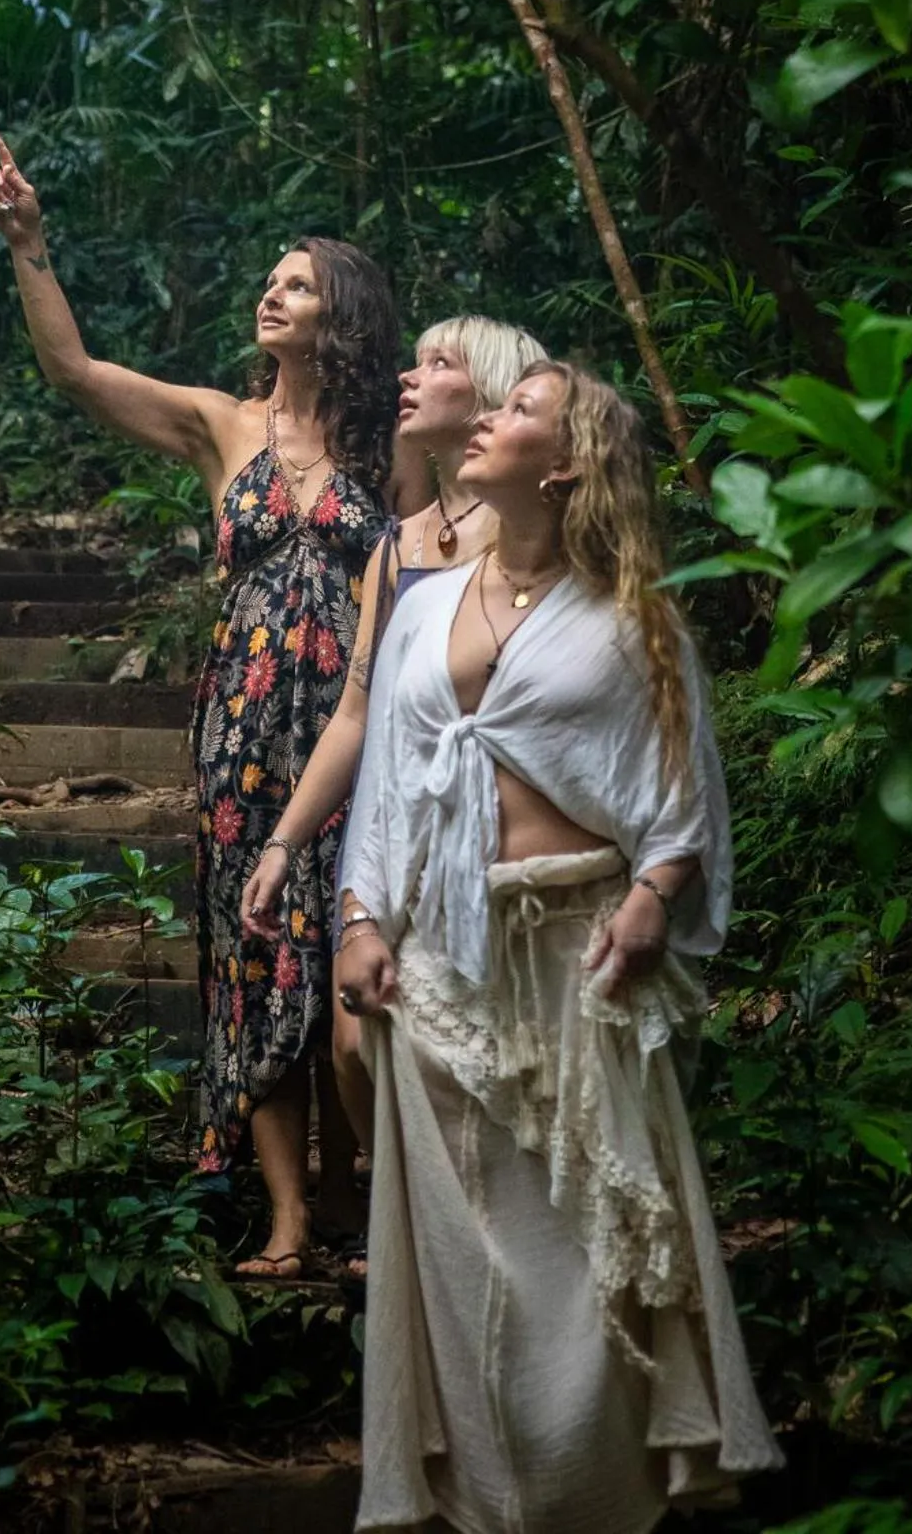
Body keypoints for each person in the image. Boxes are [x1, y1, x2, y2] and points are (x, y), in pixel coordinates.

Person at [335, 361, 784, 1532]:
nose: (486, 417)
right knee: (462, 1255)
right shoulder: (427, 603)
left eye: (519, 408)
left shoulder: (634, 613)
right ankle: (489, 1505)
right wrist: (359, 914)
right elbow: (387, 779)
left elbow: (684, 795)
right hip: (438, 963)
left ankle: (595, 1500)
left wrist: (657, 890)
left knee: (589, 1254)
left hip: (579, 954)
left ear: (569, 460)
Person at [0, 135, 396, 1278]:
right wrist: (31, 244)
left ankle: (357, 1202)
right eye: (270, 275)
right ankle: (287, 1220)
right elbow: (74, 371)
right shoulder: (222, 423)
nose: (273, 289)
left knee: (349, 955)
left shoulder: (389, 450)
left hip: (365, 736)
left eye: (298, 279)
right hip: (242, 739)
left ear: (342, 312)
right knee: (260, 957)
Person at [239, 315, 547, 1270]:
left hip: (503, 832)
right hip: (394, 826)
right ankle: (421, 1220)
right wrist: (287, 841)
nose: (410, 377)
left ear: (493, 392)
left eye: (439, 362)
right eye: (413, 358)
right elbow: (356, 714)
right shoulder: (396, 544)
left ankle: (482, 1240)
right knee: (354, 1043)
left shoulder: (536, 530)